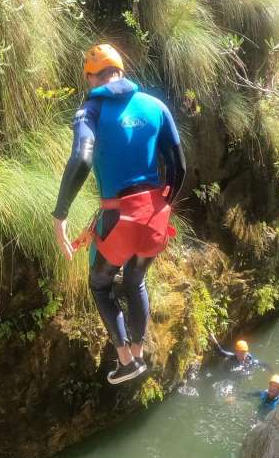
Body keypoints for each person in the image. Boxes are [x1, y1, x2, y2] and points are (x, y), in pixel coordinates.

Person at [51, 43, 186, 385]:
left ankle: (126, 360)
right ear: (121, 71)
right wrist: (164, 202)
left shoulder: (91, 109)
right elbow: (178, 167)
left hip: (117, 220)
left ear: (91, 77)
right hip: (156, 215)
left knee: (99, 284)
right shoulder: (156, 106)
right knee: (135, 280)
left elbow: (82, 158)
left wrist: (61, 214)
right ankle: (139, 352)